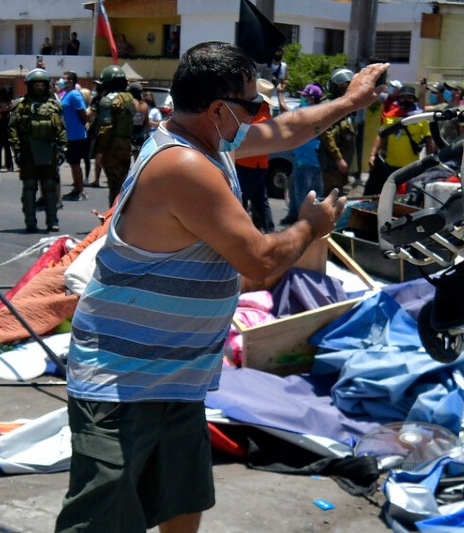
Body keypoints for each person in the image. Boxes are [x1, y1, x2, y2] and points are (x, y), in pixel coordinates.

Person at [54, 42, 385, 533]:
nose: (258, 117)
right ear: (217, 109)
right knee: (101, 519)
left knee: (181, 500)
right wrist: (311, 225)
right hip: (123, 379)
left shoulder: (208, 140)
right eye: (251, 106)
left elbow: (287, 131)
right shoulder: (184, 166)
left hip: (176, 375)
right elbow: (261, 259)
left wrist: (350, 102)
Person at [9, 68, 66, 233]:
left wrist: (62, 148)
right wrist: (17, 149)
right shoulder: (21, 105)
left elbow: (61, 128)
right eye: (36, 84)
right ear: (30, 86)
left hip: (49, 151)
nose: (39, 87)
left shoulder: (55, 105)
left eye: (42, 84)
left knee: (49, 186)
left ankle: (52, 221)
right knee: (29, 186)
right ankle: (30, 221)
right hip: (28, 152)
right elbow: (13, 128)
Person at [365, 85, 435, 194]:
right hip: (391, 167)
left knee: (408, 197)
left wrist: (430, 162)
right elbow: (381, 136)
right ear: (398, 100)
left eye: (409, 97)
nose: (406, 100)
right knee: (389, 195)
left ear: (413, 100)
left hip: (412, 168)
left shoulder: (420, 117)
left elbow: (428, 139)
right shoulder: (390, 116)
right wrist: (372, 154)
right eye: (403, 97)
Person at [236, 79, 281, 232]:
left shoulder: (257, 117)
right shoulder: (265, 115)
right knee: (260, 201)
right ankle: (269, 230)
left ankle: (239, 231)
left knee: (240, 200)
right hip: (259, 164)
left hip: (247, 164)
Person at [282, 84, 327, 226]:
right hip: (310, 159)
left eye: (304, 96)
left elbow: (286, 113)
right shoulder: (319, 113)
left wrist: (279, 94)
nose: (302, 98)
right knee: (308, 192)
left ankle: (304, 222)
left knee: (303, 193)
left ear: (311, 98)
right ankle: (303, 218)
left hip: (307, 160)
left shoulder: (307, 112)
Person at [93, 65, 136, 205]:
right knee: (122, 184)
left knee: (114, 186)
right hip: (126, 145)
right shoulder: (129, 99)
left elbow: (106, 128)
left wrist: (99, 151)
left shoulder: (108, 101)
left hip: (112, 147)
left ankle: (113, 219)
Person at [321, 69, 354, 193]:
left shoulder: (346, 106)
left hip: (343, 164)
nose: (344, 88)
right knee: (331, 195)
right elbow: (326, 133)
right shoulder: (329, 106)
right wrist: (338, 158)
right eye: (341, 85)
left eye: (346, 85)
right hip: (332, 162)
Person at [60, 73, 91, 202]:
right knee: (73, 163)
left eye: (64, 79)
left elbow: (82, 114)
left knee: (75, 163)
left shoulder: (75, 95)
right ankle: (76, 188)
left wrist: (83, 126)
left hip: (76, 136)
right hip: (70, 135)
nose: (61, 81)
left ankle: (80, 190)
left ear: (71, 81)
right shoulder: (66, 95)